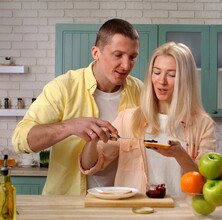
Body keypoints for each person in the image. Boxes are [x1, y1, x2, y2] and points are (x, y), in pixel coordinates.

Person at [12, 18, 143, 195]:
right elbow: (21, 140)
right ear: (96, 52)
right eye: (118, 55)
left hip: (124, 203)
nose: (126, 65)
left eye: (132, 57)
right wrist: (70, 126)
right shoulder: (63, 87)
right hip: (68, 205)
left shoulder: (140, 91)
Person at [79, 42, 216, 196]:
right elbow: (90, 165)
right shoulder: (128, 118)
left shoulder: (203, 124)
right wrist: (92, 140)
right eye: (156, 72)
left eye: (172, 75)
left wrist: (180, 154)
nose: (161, 81)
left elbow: (205, 182)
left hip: (181, 212)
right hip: (135, 211)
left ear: (186, 79)